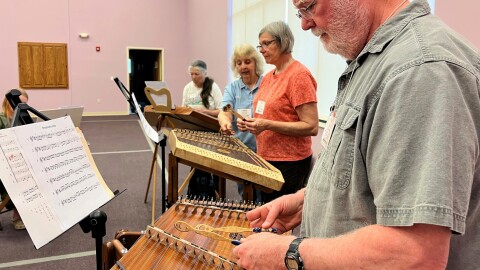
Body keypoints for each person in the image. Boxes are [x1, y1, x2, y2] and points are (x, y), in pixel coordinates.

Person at [232, 0, 480, 269]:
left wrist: (286, 253)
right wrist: (307, 202)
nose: (304, 24)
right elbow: (368, 178)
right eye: (299, 12)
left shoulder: (419, 70)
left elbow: (415, 253)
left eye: (310, 6)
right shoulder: (373, 59)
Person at [238, 21, 318, 203]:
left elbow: (311, 126)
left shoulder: (298, 76)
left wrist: (266, 125)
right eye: (260, 45)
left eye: (267, 43)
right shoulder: (267, 77)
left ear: (284, 42)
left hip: (290, 162)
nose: (262, 49)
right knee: (268, 213)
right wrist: (250, 123)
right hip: (266, 157)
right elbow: (267, 112)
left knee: (279, 220)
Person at [218, 44, 264, 202]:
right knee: (245, 192)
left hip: (265, 151)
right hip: (241, 150)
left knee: (263, 194)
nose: (243, 66)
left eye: (247, 61)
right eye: (239, 63)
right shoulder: (232, 88)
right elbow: (225, 110)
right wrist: (225, 122)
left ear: (256, 63)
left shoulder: (267, 83)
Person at [182, 60, 223, 198]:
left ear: (205, 74)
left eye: (197, 74)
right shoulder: (187, 88)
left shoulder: (213, 88)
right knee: (197, 165)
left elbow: (221, 111)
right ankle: (198, 194)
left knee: (213, 165)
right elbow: (184, 109)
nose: (193, 77)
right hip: (194, 131)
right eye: (191, 74)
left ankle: (216, 192)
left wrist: (205, 111)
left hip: (211, 131)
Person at [0, 88, 29, 230]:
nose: (19, 109)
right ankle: (16, 213)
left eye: (23, 106)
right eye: (17, 105)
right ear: (7, 103)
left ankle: (22, 214)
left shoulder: (22, 120)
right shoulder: (1, 119)